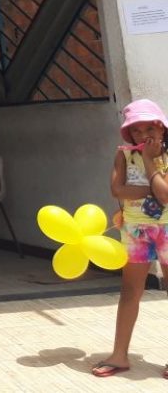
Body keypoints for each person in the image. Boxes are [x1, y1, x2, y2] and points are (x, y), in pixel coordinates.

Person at [92, 99, 168, 378]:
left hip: (167, 229)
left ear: (161, 128)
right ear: (129, 133)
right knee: (130, 291)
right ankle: (120, 355)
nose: (143, 134)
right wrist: (150, 188)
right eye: (136, 130)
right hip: (136, 229)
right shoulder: (123, 155)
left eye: (149, 127)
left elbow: (165, 195)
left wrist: (149, 161)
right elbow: (117, 190)